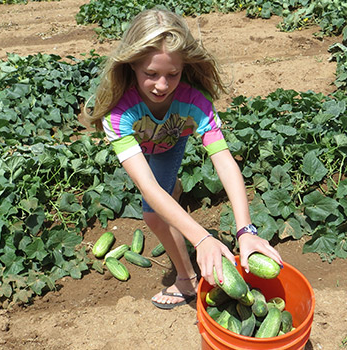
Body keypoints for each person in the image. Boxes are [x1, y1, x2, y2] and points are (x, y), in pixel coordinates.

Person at [84, 8, 283, 309]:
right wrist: (202, 239)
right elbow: (147, 185)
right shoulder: (119, 113)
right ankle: (172, 195)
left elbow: (225, 162)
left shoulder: (195, 103)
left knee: (152, 214)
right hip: (140, 146)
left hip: (170, 142)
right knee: (157, 193)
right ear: (132, 66)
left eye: (172, 74)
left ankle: (187, 280)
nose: (162, 85)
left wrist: (245, 229)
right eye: (150, 74)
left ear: (184, 67)